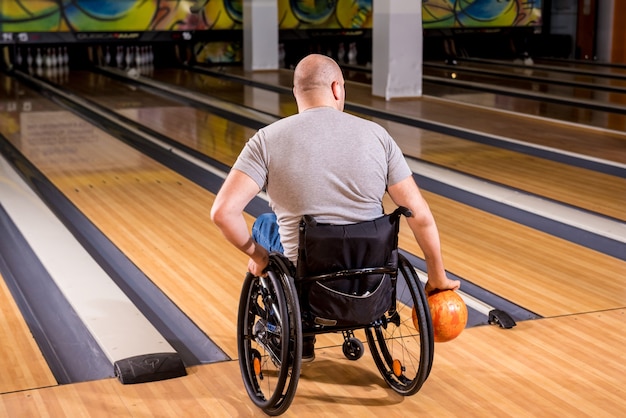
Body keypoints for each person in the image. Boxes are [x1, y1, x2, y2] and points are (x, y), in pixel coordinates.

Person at [211, 53, 460, 361]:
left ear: (296, 93)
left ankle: (286, 334)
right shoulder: (378, 136)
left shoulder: (267, 140)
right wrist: (437, 277)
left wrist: (259, 257)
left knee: (265, 224)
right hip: (372, 279)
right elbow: (418, 215)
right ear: (338, 88)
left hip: (307, 280)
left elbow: (222, 212)